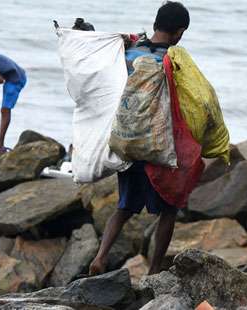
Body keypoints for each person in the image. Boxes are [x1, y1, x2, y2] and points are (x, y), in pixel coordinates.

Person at [89, 1, 190, 276]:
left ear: (156, 23)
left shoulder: (129, 50)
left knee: (125, 207)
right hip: (157, 146)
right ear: (179, 32)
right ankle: (154, 270)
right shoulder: (174, 59)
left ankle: (100, 256)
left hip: (127, 142)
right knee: (169, 208)